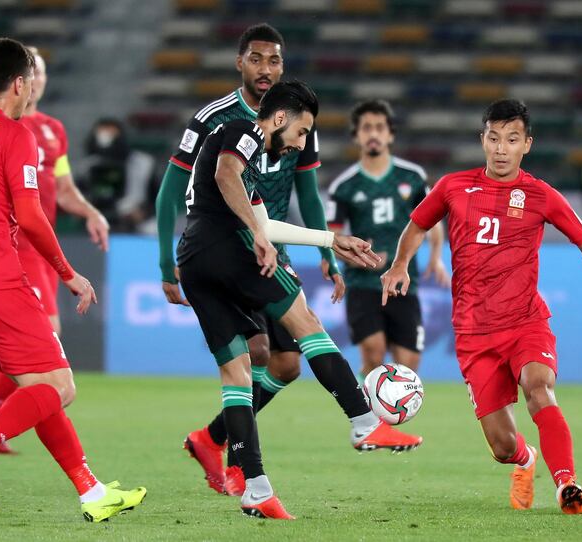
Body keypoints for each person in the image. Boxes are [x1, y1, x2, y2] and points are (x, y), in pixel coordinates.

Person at [0, 38, 144, 522]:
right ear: (20, 83)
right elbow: (32, 218)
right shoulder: (16, 135)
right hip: (0, 286)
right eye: (31, 81)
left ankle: (91, 491)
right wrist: (69, 273)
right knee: (60, 387)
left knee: (36, 390)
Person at [381, 99, 582, 514]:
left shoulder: (541, 195)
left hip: (526, 321)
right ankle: (526, 460)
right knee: (502, 445)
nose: (501, 149)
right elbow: (418, 224)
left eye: (511, 140)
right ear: (483, 140)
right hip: (474, 333)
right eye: (494, 139)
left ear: (527, 144)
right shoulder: (453, 187)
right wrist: (400, 263)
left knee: (539, 386)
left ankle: (567, 484)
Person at [177, 80, 422, 519]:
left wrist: (331, 240)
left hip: (194, 259)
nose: (301, 142)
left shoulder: (246, 160)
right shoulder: (242, 132)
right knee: (306, 322)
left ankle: (255, 488)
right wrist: (253, 235)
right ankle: (365, 423)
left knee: (236, 375)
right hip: (227, 246)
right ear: (278, 118)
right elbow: (226, 178)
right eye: (302, 131)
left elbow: (266, 223)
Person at [156, 23, 343, 496]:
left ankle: (212, 438)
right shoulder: (214, 118)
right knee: (257, 352)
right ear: (239, 62)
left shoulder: (299, 122)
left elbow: (309, 192)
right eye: (256, 59)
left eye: (274, 60)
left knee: (287, 366)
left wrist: (327, 252)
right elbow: (170, 193)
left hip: (271, 251)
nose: (265, 68)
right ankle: (244, 467)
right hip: (230, 250)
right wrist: (165, 263)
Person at [0, 46, 111, 454]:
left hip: (43, 244)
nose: (39, 80)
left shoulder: (52, 131)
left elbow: (62, 189)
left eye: (44, 72)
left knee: (36, 342)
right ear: (18, 80)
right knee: (46, 335)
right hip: (12, 244)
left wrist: (90, 212)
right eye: (34, 73)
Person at [327, 99, 449, 376]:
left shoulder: (412, 177)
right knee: (373, 352)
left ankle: (389, 416)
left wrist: (436, 257)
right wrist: (360, 259)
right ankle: (369, 418)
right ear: (356, 135)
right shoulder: (344, 186)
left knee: (408, 364)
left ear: (390, 134)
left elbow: (432, 220)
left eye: (380, 128)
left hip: (404, 282)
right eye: (366, 128)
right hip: (363, 283)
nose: (373, 134)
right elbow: (331, 238)